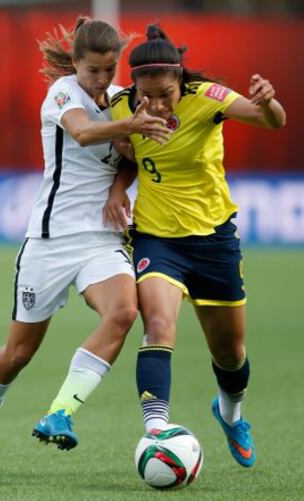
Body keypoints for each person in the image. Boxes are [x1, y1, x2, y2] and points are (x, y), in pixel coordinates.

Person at [0, 18, 172, 477]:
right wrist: (131, 123)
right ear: (75, 63)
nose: (101, 79)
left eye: (109, 69)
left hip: (101, 239)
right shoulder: (62, 94)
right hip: (49, 241)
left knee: (124, 312)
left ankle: (61, 412)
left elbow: (129, 160)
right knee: (18, 353)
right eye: (93, 70)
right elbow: (82, 133)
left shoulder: (118, 101)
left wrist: (119, 189)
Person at [104, 23, 286, 468]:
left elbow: (272, 122)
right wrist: (116, 190)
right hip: (156, 236)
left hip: (213, 240)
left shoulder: (209, 96)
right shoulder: (120, 106)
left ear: (181, 78)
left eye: (165, 93)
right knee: (158, 326)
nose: (156, 104)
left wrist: (269, 102)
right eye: (146, 95)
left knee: (229, 354)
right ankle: (156, 430)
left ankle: (230, 413)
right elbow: (131, 154)